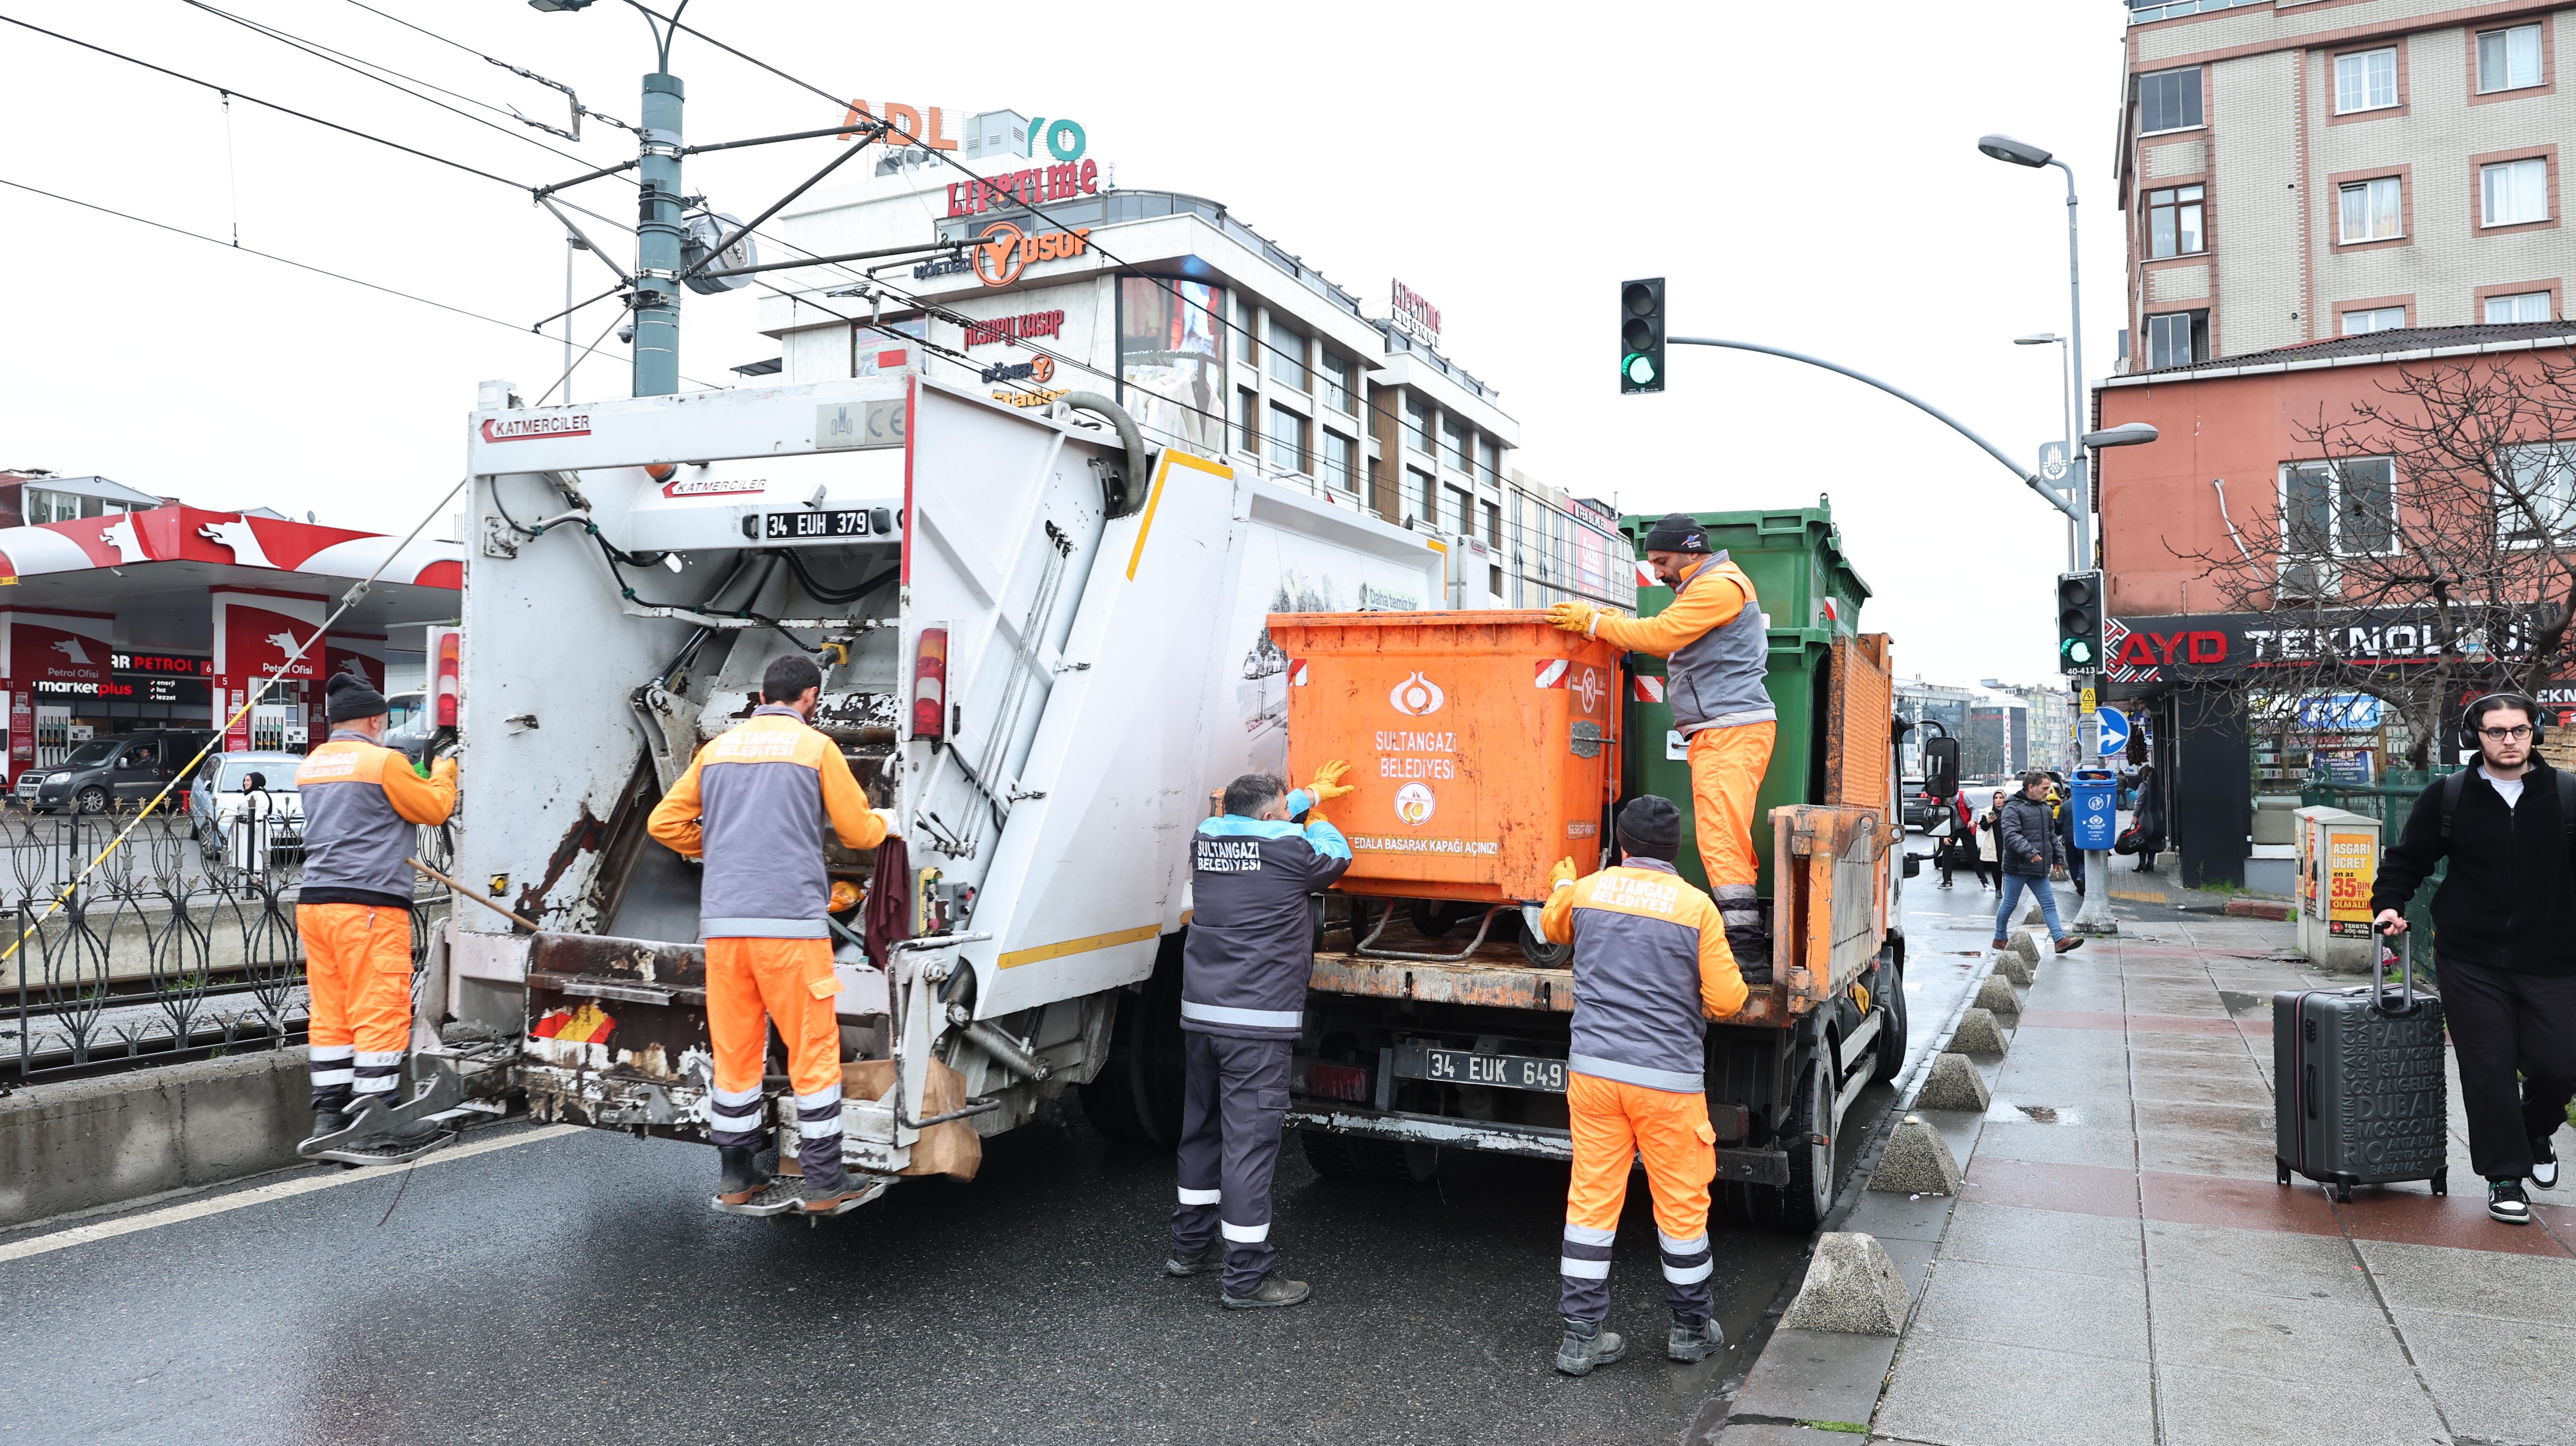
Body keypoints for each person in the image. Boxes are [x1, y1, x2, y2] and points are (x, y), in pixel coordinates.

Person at [648, 654, 899, 1215]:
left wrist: (722, 846)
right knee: (812, 1050)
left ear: (762, 697)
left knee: (735, 1051)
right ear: (809, 698)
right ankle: (823, 1182)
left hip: (725, 929)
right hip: (789, 930)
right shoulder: (815, 749)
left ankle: (737, 1177)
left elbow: (662, 823)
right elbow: (858, 831)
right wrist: (890, 823)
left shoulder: (716, 751)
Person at [1539, 795, 1748, 1377]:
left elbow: (1551, 923)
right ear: (1674, 849)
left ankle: (1580, 1338)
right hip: (1667, 1084)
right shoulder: (1695, 907)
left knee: (1591, 1201)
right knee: (1680, 1205)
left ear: (1622, 844)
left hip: (1595, 1075)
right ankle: (1688, 1329)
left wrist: (1562, 884)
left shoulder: (1587, 890)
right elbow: (1727, 999)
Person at [2370, 692, 2576, 1226]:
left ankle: (2534, 1130)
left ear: (2534, 733)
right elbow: (2406, 859)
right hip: (2469, 959)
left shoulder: (2566, 795)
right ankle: (2503, 1176)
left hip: (2553, 957)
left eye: (2518, 730)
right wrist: (2388, 905)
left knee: (2559, 1065)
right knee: (2487, 1070)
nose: (2508, 740)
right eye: (2495, 731)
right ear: (2473, 737)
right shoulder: (2449, 797)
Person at [1166, 764, 1353, 1308]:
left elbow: (1257, 826)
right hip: (1255, 1024)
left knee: (1200, 1132)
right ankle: (1247, 1277)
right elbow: (1335, 854)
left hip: (1201, 1016)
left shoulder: (1207, 838)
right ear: (1273, 816)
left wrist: (1302, 794)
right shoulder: (1293, 852)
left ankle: (1188, 1248)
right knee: (1247, 1146)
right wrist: (1316, 810)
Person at [1547, 515, 1773, 963]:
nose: (1658, 573)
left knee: (1720, 837)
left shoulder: (1719, 585)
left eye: (1663, 561)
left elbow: (1662, 635)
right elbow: (1669, 634)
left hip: (1730, 729)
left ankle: (1746, 950)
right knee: (1723, 834)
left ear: (1692, 551)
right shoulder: (1705, 589)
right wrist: (1613, 621)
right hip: (1723, 729)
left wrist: (1594, 623)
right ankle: (1743, 939)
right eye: (1652, 564)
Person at [295, 670, 459, 1153]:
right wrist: (447, 769)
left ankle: (330, 1114)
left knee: (332, 1011)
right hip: (368, 904)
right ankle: (379, 1114)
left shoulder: (314, 764)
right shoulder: (382, 762)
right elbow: (433, 808)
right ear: (373, 719)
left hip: (317, 903)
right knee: (379, 1005)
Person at [1995, 771, 2082, 955]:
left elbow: (2051, 836)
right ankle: (2000, 937)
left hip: (2039, 865)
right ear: (2031, 788)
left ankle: (2060, 940)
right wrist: (2030, 852)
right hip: (2018, 866)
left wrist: (2059, 858)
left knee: (2049, 904)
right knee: (2010, 904)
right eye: (2044, 788)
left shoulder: (2044, 808)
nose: (2048, 792)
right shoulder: (2013, 807)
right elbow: (2011, 835)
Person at [1975, 789, 2005, 891]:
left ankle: (2008, 891)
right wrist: (1988, 821)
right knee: (1996, 868)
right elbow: (1983, 827)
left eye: (2001, 798)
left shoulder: (2009, 810)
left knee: (2009, 869)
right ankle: (1998, 889)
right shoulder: (1988, 811)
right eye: (1996, 798)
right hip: (1994, 843)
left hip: (2007, 844)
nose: (1998, 800)